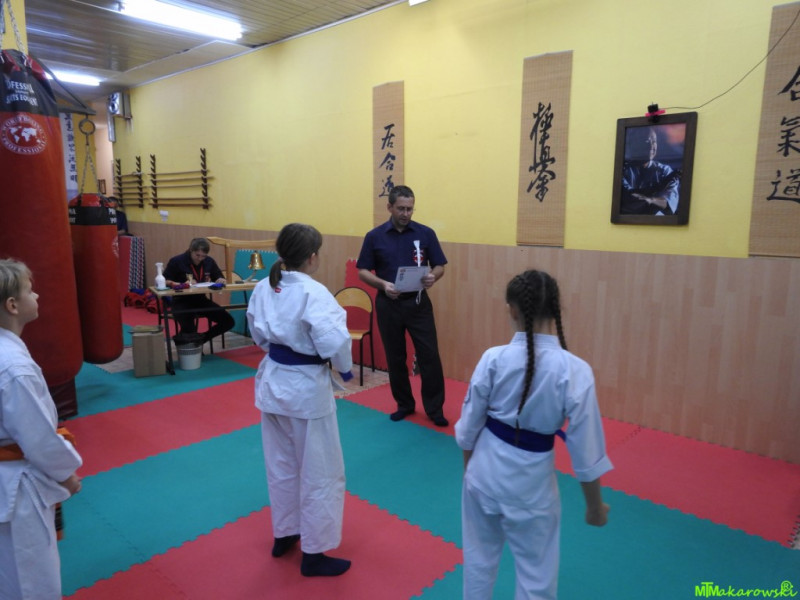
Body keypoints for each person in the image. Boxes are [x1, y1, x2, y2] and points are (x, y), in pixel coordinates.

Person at [454, 269, 612, 600]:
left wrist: (471, 472)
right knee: (536, 580)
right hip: (532, 489)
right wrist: (595, 507)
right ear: (555, 311)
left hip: (483, 475)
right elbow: (586, 452)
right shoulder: (574, 370)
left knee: (478, 565)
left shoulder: (493, 358)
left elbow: (468, 430)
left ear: (512, 310)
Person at [246, 223, 354, 577]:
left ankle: (285, 533)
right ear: (312, 256)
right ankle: (314, 553)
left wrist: (281, 351)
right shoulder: (314, 292)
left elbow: (257, 333)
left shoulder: (265, 286)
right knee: (320, 472)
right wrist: (345, 370)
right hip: (305, 391)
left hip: (273, 383)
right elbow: (335, 342)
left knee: (281, 466)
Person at [0, 258, 83, 599]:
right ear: (12, 305)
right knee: (31, 581)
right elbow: (38, 438)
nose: (37, 296)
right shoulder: (14, 367)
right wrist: (66, 475)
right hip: (15, 487)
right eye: (30, 290)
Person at [356, 185, 449, 427]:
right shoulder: (374, 236)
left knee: (429, 355)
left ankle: (434, 408)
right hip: (389, 304)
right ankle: (404, 404)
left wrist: (433, 276)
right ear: (389, 207)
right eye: (401, 209)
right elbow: (362, 271)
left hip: (418, 303)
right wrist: (383, 284)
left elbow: (440, 265)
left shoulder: (425, 233)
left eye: (410, 209)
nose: (406, 213)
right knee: (395, 357)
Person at [163, 237, 234, 346]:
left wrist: (221, 279)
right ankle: (190, 344)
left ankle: (200, 339)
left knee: (228, 321)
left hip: (201, 300)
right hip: (181, 301)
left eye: (203, 256)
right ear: (190, 250)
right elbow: (164, 281)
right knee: (189, 329)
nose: (200, 259)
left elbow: (218, 276)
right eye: (197, 255)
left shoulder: (209, 261)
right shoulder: (177, 261)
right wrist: (177, 284)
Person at [620, 126, 680, 215]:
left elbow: (667, 204)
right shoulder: (623, 170)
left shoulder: (665, 171)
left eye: (654, 141)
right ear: (635, 145)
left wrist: (649, 200)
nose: (651, 146)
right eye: (646, 141)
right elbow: (630, 197)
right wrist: (654, 197)